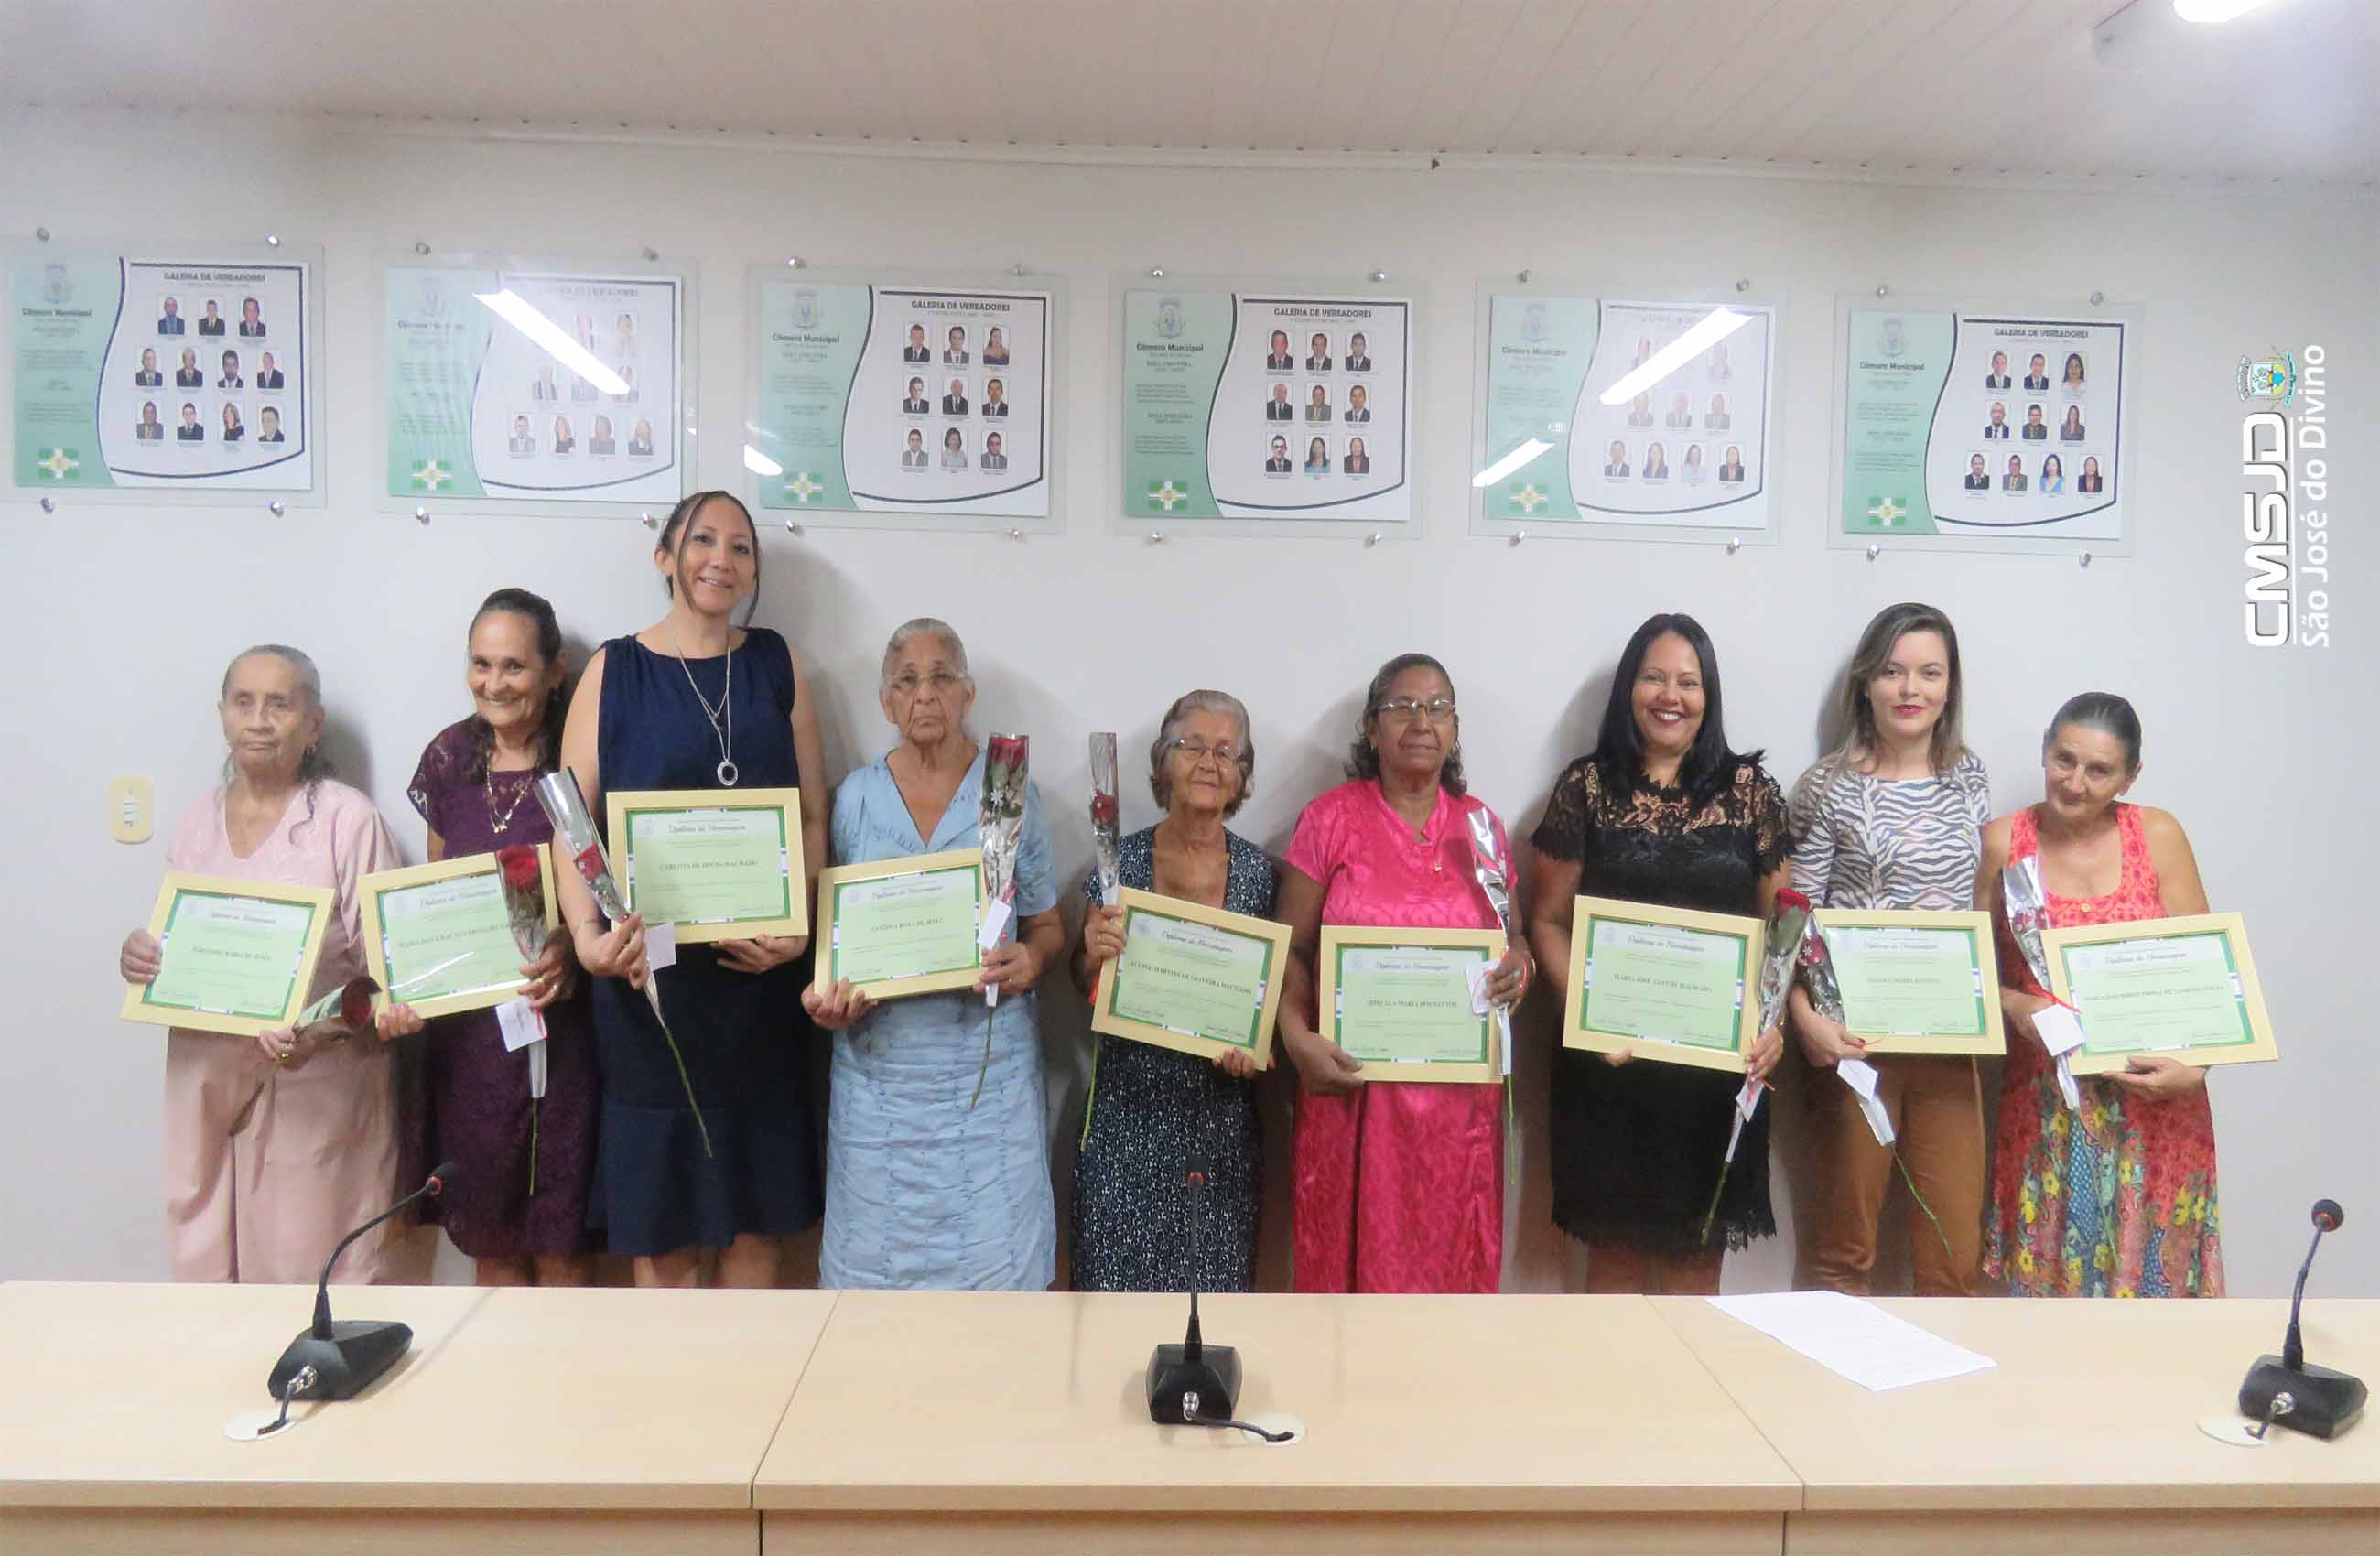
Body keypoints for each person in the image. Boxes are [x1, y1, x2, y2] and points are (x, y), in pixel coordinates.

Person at [556, 491, 828, 1288]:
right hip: (650, 988)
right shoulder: (614, 668)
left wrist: (801, 928)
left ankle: (755, 1408)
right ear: (664, 555)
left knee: (756, 1229)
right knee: (664, 1232)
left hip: (758, 987)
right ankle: (672, 1412)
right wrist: (585, 940)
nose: (721, 559)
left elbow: (811, 814)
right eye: (703, 540)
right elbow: (571, 825)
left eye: (740, 547)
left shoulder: (778, 663)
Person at [116, 646, 416, 1284]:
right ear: (221, 715)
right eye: (242, 702)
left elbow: (391, 978)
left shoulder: (349, 822)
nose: (258, 720)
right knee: (202, 1268)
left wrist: (320, 1029)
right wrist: (142, 958)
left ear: (313, 724)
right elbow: (178, 948)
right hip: (203, 1079)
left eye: (279, 704)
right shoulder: (198, 821)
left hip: (318, 1084)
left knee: (303, 1275)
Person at [1529, 614, 1789, 1293]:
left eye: (1688, 681)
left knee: (1695, 1274)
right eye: (1654, 677)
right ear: (1628, 688)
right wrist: (1583, 1018)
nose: (1670, 696)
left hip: (1716, 1071)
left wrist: (1774, 1027)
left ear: (1709, 695)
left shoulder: (1752, 793)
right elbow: (1547, 922)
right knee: (1610, 1275)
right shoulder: (1584, 788)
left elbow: (1780, 933)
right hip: (1612, 1067)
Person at [804, 619, 1063, 1289]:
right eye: (906, 680)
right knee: (875, 1283)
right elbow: (831, 935)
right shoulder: (854, 800)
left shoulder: (1009, 793)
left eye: (942, 675)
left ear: (968, 694)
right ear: (886, 704)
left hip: (987, 1075)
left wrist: (1030, 964)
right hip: (878, 1078)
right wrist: (825, 997)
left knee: (994, 1271)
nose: (925, 693)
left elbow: (1048, 927)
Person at [1275, 654, 1531, 1292]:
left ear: (1455, 727)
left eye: (1438, 706)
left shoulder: (1483, 827)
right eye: (1403, 706)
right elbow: (1291, 949)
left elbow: (1515, 936)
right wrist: (1295, 1038)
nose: (1422, 721)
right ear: (1371, 727)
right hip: (1352, 1093)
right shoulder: (1328, 820)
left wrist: (1520, 967)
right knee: (1348, 1284)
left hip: (1458, 1108)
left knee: (1450, 1285)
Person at [376, 590, 598, 1286]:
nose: (494, 684)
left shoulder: (579, 756)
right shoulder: (448, 757)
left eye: (514, 667)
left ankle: (569, 1392)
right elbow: (442, 888)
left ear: (554, 670)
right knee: (492, 1238)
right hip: (472, 1040)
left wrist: (570, 951)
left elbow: (605, 885)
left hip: (567, 1031)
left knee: (562, 1241)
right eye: (480, 664)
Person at [1981, 694, 2223, 1298]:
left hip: (2156, 1108)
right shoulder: (2004, 842)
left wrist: (2195, 1069)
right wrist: (2017, 1007)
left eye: (2099, 770)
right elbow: (1972, 977)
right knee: (2050, 1299)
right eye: (2064, 760)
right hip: (2047, 1111)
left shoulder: (2158, 834)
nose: (2077, 782)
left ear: (2130, 776)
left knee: (2156, 1295)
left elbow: (2210, 976)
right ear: (2045, 751)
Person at [1788, 604, 1991, 1297]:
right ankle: (1828, 1401)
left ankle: (1944, 1405)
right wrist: (1802, 1018)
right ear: (1866, 683)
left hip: (1947, 1042)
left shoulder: (1970, 777)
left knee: (1954, 1254)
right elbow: (1793, 921)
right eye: (1894, 671)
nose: (1911, 689)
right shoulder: (1826, 786)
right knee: (1847, 1250)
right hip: (1855, 1044)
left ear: (1950, 686)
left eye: (1930, 673)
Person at [1071, 690, 1274, 1291]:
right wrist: (1092, 958)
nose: (1209, 763)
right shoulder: (1116, 866)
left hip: (1220, 1129)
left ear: (1242, 777)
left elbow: (1274, 999)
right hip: (1125, 1122)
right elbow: (1083, 983)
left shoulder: (1263, 876)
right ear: (1162, 763)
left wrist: (1260, 1054)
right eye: (1191, 746)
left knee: (1209, 1310)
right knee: (1112, 1310)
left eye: (1226, 752)